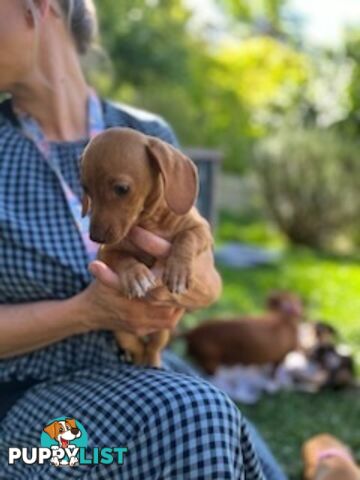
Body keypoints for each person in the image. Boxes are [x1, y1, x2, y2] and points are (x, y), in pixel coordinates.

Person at [0, 1, 286, 478]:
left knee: (209, 427)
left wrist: (182, 279)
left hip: (147, 370)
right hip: (28, 410)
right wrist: (85, 312)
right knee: (191, 421)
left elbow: (208, 284)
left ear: (38, 7)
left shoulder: (150, 137)